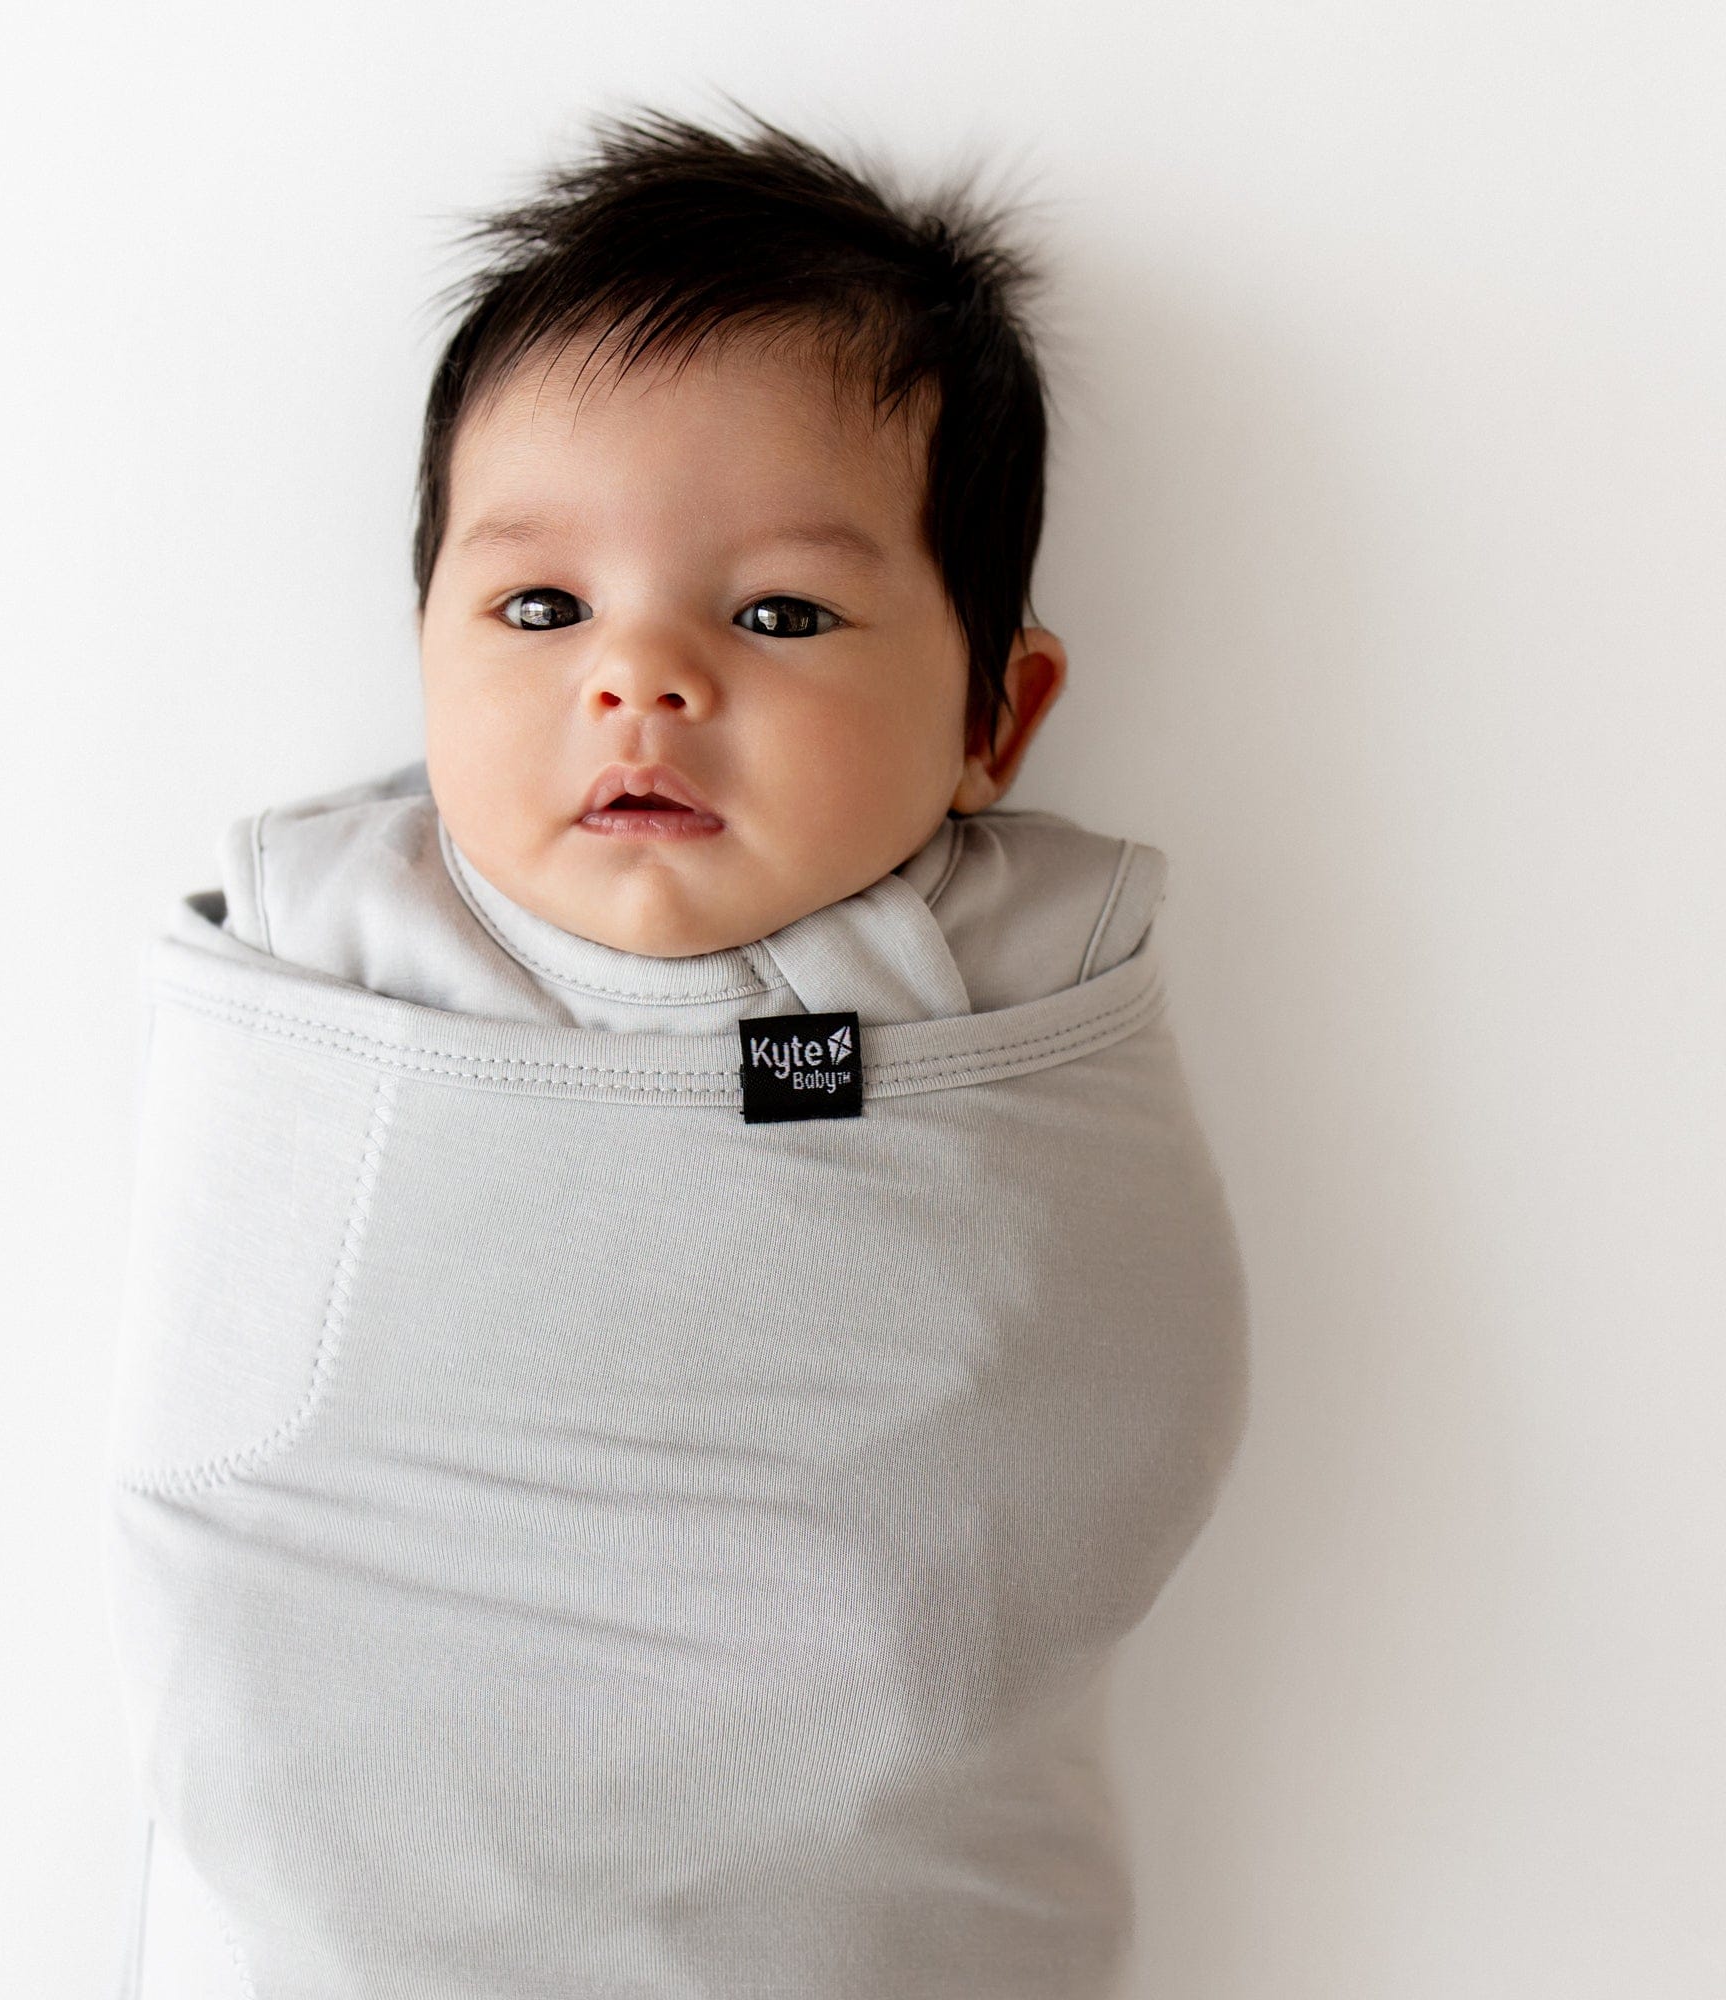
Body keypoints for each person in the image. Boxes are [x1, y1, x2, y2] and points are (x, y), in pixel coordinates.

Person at [102, 99, 1249, 1999]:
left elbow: (1082, 1459)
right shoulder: (330, 940)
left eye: (780, 611)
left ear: (996, 715)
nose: (638, 678)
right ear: (424, 647)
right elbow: (224, 1515)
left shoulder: (1033, 986)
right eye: (539, 607)